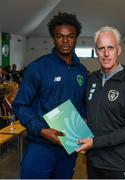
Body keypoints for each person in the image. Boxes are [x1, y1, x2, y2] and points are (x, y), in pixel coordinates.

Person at [13, 12, 88, 179]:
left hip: (68, 147)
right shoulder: (37, 68)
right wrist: (41, 130)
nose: (66, 41)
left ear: (76, 38)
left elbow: (81, 105)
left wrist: (84, 119)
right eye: (60, 36)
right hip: (40, 146)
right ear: (53, 38)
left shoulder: (82, 71)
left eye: (70, 36)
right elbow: (19, 105)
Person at [76, 26, 125, 179]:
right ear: (96, 51)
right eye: (101, 48)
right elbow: (90, 116)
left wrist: (95, 142)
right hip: (93, 162)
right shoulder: (92, 79)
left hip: (119, 165)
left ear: (118, 50)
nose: (106, 54)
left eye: (110, 48)